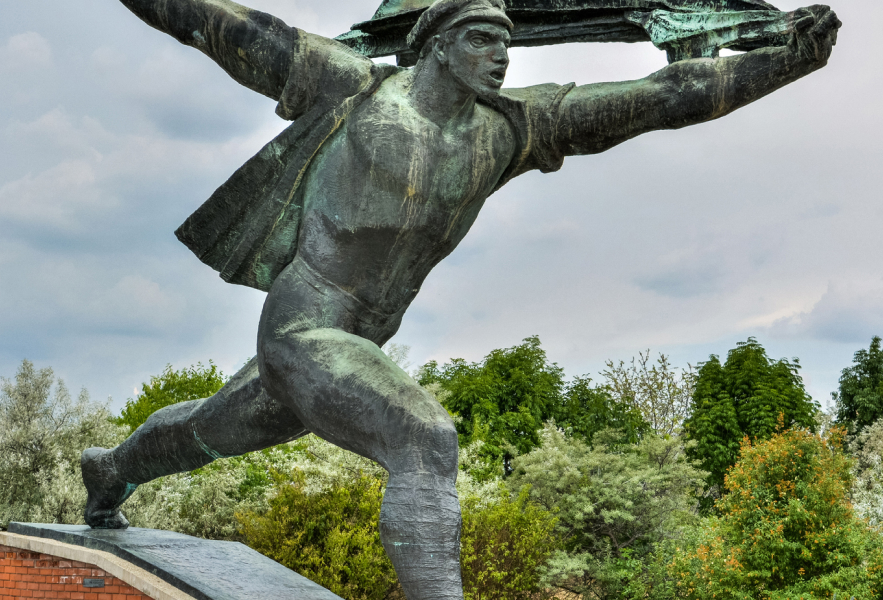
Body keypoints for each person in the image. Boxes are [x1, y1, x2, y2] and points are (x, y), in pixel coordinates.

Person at [81, 0, 840, 598]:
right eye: (483, 39)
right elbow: (219, 24)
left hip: (356, 345)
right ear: (437, 41)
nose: (501, 57)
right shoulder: (351, 86)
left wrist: (788, 62)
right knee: (425, 438)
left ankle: (109, 470)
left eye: (507, 43)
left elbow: (664, 94)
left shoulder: (508, 130)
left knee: (201, 434)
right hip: (305, 329)